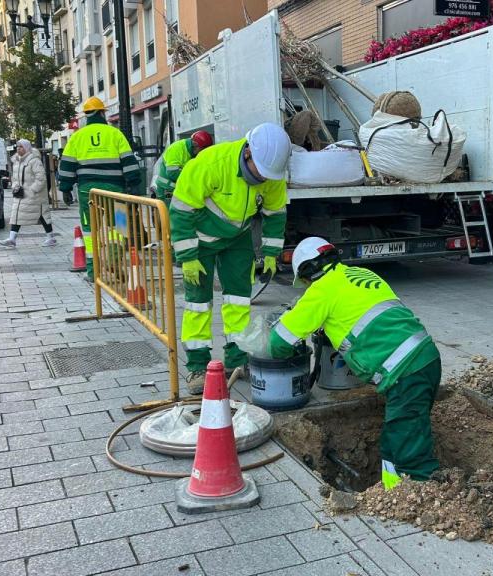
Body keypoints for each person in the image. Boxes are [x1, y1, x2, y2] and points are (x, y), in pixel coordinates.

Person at [267, 237, 441, 490]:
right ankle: (391, 492)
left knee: (409, 448)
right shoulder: (362, 274)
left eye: (303, 281)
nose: (304, 287)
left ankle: (425, 494)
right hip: (426, 356)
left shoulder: (321, 290)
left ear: (308, 272)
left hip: (405, 371)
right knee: (397, 438)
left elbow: (279, 343)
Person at [170, 122, 290, 391]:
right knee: (198, 304)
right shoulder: (212, 162)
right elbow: (180, 210)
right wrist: (188, 255)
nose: (264, 180)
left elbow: (275, 214)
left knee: (238, 299)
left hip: (238, 239)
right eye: (261, 173)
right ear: (247, 153)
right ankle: (198, 367)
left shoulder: (272, 174)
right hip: (200, 240)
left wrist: (271, 253)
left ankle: (237, 360)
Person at [57, 96, 142, 280]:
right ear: (103, 113)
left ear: (86, 116)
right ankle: (114, 260)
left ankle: (92, 271)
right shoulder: (115, 134)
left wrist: (65, 189)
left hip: (88, 191)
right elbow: (128, 161)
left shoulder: (77, 137)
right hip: (115, 190)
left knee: (89, 230)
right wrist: (133, 183)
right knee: (119, 227)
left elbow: (67, 165)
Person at [0, 139, 54, 248]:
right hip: (21, 193)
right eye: (17, 147)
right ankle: (12, 239)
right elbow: (15, 178)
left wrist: (33, 189)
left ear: (27, 148)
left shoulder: (34, 161)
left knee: (42, 215)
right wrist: (15, 187)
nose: (18, 149)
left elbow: (41, 178)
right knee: (16, 215)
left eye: (21, 147)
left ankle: (51, 237)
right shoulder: (17, 161)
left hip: (35, 196)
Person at [154, 130, 213, 205]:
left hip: (178, 189)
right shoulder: (177, 149)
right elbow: (172, 173)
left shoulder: (193, 152)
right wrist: (194, 181)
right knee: (169, 215)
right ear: (195, 145)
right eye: (202, 150)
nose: (202, 153)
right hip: (167, 188)